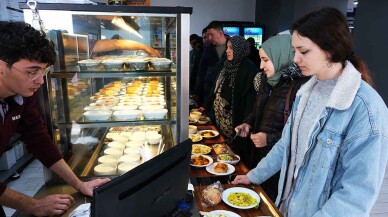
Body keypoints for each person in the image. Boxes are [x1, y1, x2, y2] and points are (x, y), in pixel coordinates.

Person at [232, 7, 388, 217]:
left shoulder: (367, 109)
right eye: (294, 50)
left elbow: (355, 197)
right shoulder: (305, 92)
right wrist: (254, 176)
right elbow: (286, 145)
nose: (295, 59)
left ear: (331, 49)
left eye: (304, 51)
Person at [0, 21, 110, 216]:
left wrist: (79, 184)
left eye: (44, 72)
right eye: (32, 72)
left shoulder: (21, 95)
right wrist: (33, 205)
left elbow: (38, 139)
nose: (40, 81)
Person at [234, 34, 309, 201]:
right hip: (259, 158)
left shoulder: (300, 87)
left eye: (266, 60)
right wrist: (248, 123)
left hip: (279, 166)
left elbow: (300, 134)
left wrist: (269, 138)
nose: (261, 66)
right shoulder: (268, 82)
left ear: (280, 56)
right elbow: (257, 110)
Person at [202, 35, 257, 145]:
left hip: (235, 119)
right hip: (219, 117)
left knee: (232, 149)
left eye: (231, 48)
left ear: (239, 49)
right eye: (227, 47)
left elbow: (251, 100)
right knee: (219, 144)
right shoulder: (225, 64)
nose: (227, 51)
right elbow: (215, 87)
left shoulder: (249, 69)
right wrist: (205, 106)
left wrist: (246, 122)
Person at [193, 21, 228, 107]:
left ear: (220, 33)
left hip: (227, 92)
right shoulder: (208, 49)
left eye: (211, 35)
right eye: (208, 35)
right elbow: (201, 72)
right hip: (209, 91)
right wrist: (196, 92)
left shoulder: (232, 47)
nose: (209, 38)